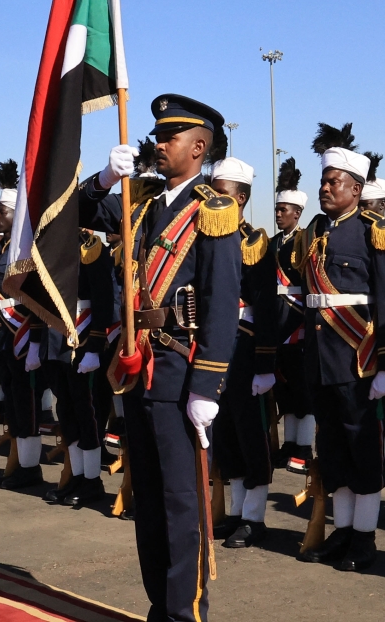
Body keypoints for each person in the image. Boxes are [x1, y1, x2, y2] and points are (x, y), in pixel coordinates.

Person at [79, 94, 240, 621]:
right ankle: (160, 607)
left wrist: (207, 386)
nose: (158, 144)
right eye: (158, 135)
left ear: (198, 147)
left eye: (169, 137)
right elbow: (76, 213)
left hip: (179, 369)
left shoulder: (214, 209)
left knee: (181, 506)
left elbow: (220, 302)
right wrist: (105, 176)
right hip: (138, 368)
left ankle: (184, 613)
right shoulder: (140, 199)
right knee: (147, 502)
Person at [297, 124, 385, 572]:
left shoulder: (373, 231)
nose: (326, 188)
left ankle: (365, 538)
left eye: (335, 182)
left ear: (356, 189)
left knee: (361, 447)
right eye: (325, 181)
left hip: (358, 358)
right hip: (321, 358)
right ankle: (345, 531)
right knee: (332, 448)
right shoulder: (315, 229)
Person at [208, 157, 276, 549]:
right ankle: (234, 512)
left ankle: (255, 517)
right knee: (226, 433)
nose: (213, 198)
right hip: (211, 350)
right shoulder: (205, 239)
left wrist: (264, 363)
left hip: (244, 349)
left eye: (222, 192)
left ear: (242, 197)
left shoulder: (255, 244)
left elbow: (266, 308)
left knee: (251, 434)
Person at [40, 229, 116, 506]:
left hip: (82, 339)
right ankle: (77, 475)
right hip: (57, 338)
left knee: (88, 413)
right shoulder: (49, 245)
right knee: (66, 411)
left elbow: (105, 299)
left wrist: (95, 346)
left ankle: (91, 480)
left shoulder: (91, 248)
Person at [0, 163, 44, 489]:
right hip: (3, 333)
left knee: (26, 401)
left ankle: (30, 467)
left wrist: (35, 338)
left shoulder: (25, 248)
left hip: (20, 330)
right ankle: (20, 463)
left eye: (2, 211)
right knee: (12, 401)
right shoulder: (3, 247)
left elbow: (34, 295)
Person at [266, 159, 314, 474]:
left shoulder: (305, 240)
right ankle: (289, 444)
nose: (279, 213)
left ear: (297, 213)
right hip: (277, 319)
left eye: (285, 209)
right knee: (285, 389)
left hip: (297, 319)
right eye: (277, 209)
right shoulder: (270, 243)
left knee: (302, 391)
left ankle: (304, 447)